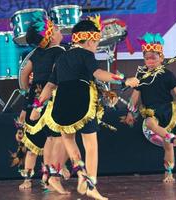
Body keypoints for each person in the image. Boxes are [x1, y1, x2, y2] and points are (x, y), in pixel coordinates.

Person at [29, 17, 139, 200]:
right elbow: (98, 73)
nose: (95, 47)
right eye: (96, 43)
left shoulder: (62, 58)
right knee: (91, 145)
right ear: (89, 41)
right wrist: (124, 80)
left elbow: (49, 86)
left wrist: (37, 107)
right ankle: (91, 184)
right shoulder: (87, 55)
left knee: (69, 140)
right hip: (81, 101)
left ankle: (81, 173)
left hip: (61, 106)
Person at [123, 32, 176, 183]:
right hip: (151, 111)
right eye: (147, 58)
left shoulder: (168, 75)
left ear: (161, 58)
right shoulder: (140, 76)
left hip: (167, 111)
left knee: (167, 147)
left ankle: (169, 173)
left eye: (154, 58)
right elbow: (134, 96)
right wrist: (130, 112)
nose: (150, 61)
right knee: (150, 123)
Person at [16, 14, 70, 194]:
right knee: (52, 139)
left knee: (32, 144)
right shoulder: (61, 52)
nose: (59, 29)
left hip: (34, 98)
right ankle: (50, 173)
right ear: (51, 37)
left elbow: (24, 74)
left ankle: (28, 179)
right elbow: (59, 76)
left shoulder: (37, 53)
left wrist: (26, 94)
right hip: (51, 98)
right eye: (55, 28)